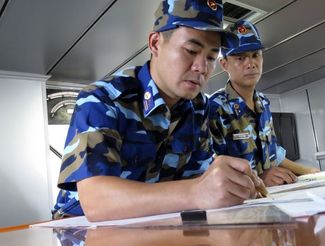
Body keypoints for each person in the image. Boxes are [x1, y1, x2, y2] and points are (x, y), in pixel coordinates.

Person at [53, 0, 266, 222]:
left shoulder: (199, 108)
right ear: (155, 43)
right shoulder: (102, 99)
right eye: (191, 50)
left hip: (158, 223)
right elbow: (97, 202)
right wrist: (197, 191)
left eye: (211, 57)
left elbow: (197, 181)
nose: (202, 68)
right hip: (80, 231)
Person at [209, 20, 319, 187]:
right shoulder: (214, 108)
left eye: (255, 55)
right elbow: (211, 170)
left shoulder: (263, 103)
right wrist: (260, 179)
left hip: (272, 198)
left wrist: (309, 172)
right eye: (240, 58)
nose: (251, 63)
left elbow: (274, 153)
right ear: (224, 64)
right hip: (238, 205)